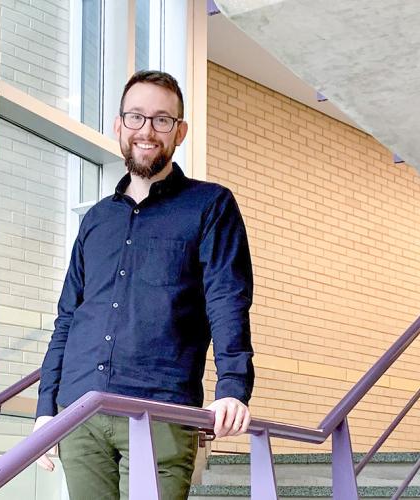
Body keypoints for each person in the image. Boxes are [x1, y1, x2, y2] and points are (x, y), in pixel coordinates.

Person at [32, 70, 255, 500]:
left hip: (159, 409)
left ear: (180, 131)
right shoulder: (96, 219)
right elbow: (69, 318)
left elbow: (226, 299)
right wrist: (46, 409)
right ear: (119, 125)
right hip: (80, 410)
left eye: (162, 119)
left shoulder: (211, 205)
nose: (146, 130)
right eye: (135, 117)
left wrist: (232, 386)